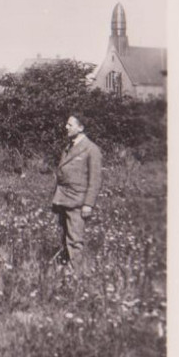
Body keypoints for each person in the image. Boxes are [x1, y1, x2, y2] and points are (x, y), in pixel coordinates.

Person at [51, 115, 102, 273]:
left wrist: (88, 204)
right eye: (66, 124)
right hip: (63, 198)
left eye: (70, 124)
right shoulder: (69, 147)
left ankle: (77, 273)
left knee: (75, 238)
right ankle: (67, 265)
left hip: (78, 200)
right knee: (65, 235)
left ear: (81, 128)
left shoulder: (91, 149)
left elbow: (95, 179)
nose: (66, 127)